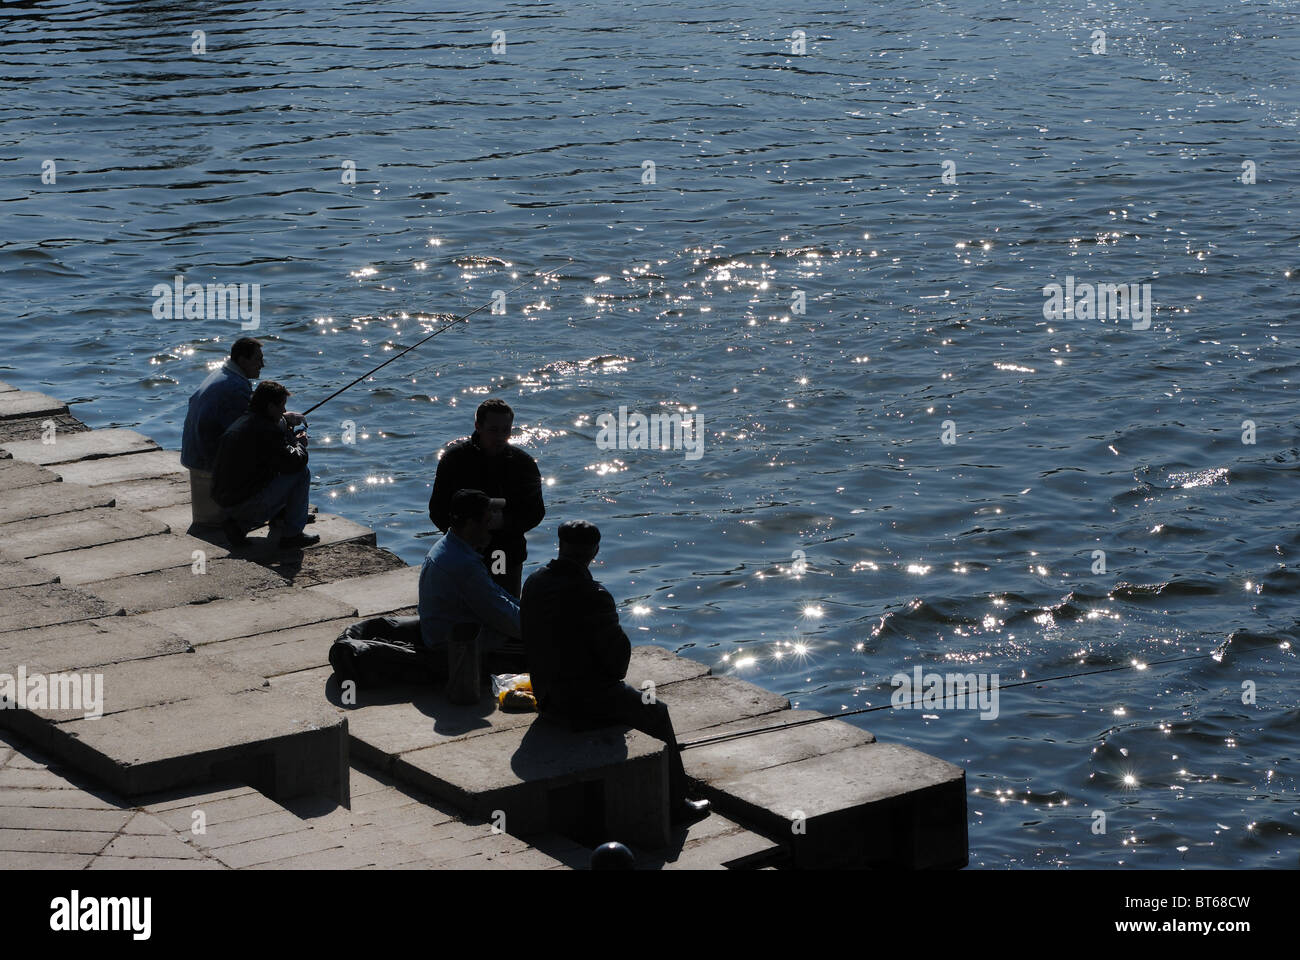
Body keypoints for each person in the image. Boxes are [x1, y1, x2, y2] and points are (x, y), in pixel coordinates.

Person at [521, 520, 710, 825]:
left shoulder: (534, 581)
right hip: (580, 703)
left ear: (560, 544)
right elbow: (617, 666)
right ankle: (676, 804)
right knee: (656, 711)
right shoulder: (593, 594)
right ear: (594, 551)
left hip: (547, 696)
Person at [180, 337, 307, 524]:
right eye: (258, 359)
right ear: (242, 360)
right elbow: (253, 430)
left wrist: (283, 418)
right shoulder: (235, 388)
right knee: (280, 453)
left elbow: (250, 423)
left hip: (195, 451)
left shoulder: (223, 375)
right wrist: (287, 429)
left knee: (274, 446)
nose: (262, 365)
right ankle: (278, 514)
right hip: (207, 458)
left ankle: (278, 508)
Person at [428, 399, 544, 597]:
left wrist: (504, 522)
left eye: (505, 430)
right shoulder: (454, 460)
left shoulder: (523, 463)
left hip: (505, 552)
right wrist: (466, 532)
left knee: (506, 613)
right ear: (478, 427)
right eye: (493, 430)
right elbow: (437, 511)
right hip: (462, 550)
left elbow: (535, 512)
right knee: (462, 613)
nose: (500, 437)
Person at [418, 488, 524, 672]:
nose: (494, 529)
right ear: (470, 524)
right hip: (452, 647)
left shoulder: (450, 546)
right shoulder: (463, 565)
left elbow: (498, 596)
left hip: (445, 630)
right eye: (488, 521)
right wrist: (542, 624)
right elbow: (504, 617)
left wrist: (529, 610)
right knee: (546, 645)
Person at [210, 380, 319, 549]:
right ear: (269, 407)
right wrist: (299, 443)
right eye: (282, 406)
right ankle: (291, 534)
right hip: (243, 505)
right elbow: (295, 462)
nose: (284, 410)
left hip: (224, 500)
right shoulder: (266, 432)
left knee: (275, 468)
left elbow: (274, 455)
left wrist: (284, 422)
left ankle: (246, 524)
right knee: (300, 473)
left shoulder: (245, 420)